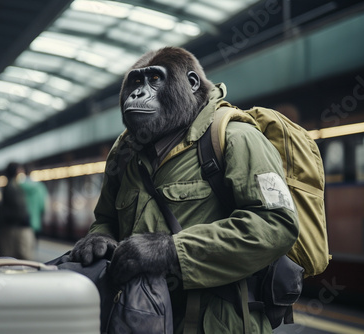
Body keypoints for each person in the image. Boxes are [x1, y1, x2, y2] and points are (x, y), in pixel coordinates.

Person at [70, 47, 299, 333]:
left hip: (218, 322)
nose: (139, 94)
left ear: (191, 84)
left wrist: (169, 250)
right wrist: (99, 237)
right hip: (141, 317)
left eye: (155, 80)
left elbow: (277, 225)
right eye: (136, 82)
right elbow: (106, 219)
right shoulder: (124, 153)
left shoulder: (237, 138)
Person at [0, 162, 35, 260]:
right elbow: (19, 209)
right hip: (17, 228)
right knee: (22, 256)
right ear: (17, 171)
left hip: (12, 226)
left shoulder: (9, 186)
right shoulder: (13, 187)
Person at [20, 164, 48, 238]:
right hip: (35, 222)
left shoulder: (19, 187)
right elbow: (43, 206)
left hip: (22, 224)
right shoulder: (40, 187)